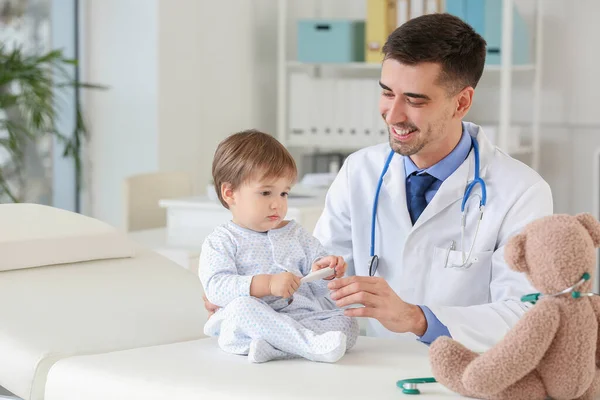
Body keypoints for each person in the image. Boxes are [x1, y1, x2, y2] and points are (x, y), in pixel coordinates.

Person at [313, 13, 553, 352]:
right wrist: (256, 297)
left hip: (469, 375)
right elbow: (321, 281)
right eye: (386, 92)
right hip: (372, 367)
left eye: (414, 100)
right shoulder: (359, 172)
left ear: (462, 102)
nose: (393, 115)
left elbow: (525, 314)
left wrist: (418, 319)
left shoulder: (522, 192)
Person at [199, 130, 359, 363]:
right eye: (265, 193)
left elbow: (321, 290)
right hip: (249, 323)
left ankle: (275, 347)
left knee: (347, 322)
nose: (277, 204)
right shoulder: (221, 241)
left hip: (298, 319)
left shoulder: (296, 234)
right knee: (242, 309)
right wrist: (268, 284)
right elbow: (216, 287)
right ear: (229, 193)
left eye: (284, 193)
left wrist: (327, 271)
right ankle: (309, 346)